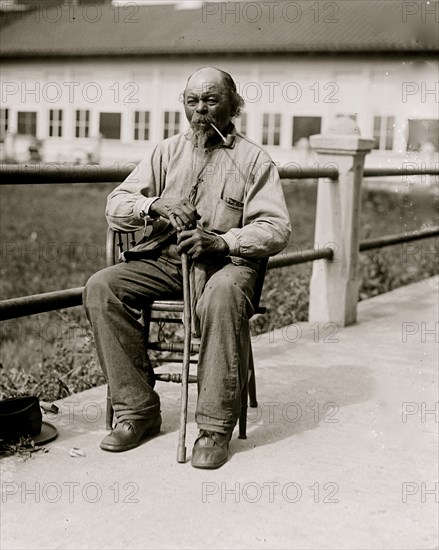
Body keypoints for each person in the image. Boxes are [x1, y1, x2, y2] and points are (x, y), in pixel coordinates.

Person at [83, 67, 291, 469]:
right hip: (167, 260)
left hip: (226, 265)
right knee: (101, 287)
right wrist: (152, 204)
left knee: (223, 295)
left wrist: (222, 240)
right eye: (192, 101)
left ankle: (213, 426)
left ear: (234, 105)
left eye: (211, 100)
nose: (201, 110)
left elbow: (276, 228)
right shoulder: (166, 152)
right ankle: (137, 409)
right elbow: (116, 205)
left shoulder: (254, 160)